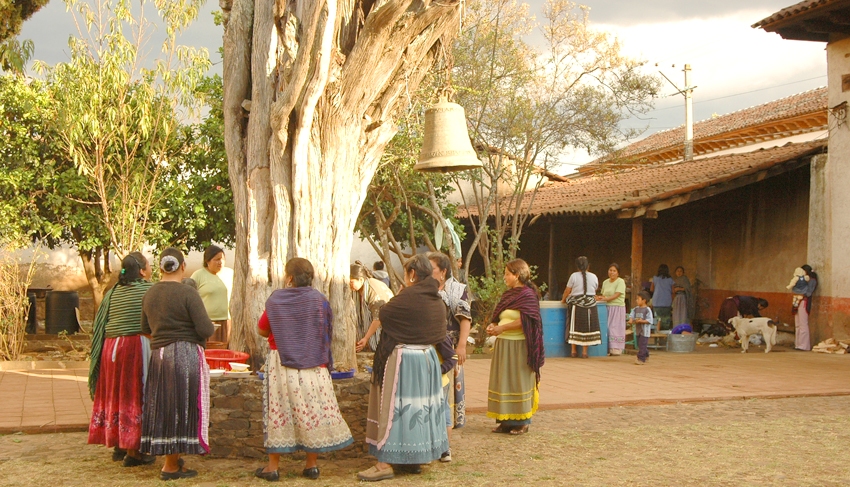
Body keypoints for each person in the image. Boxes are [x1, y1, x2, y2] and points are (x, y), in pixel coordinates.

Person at [254, 258, 353, 482]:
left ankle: (272, 467)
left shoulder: (276, 300)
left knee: (278, 411)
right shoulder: (320, 301)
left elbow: (262, 330)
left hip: (282, 362)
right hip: (313, 362)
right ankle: (311, 466)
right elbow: (325, 331)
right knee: (312, 411)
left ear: (290, 278)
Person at [359, 255, 449, 482]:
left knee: (396, 408)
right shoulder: (436, 298)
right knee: (418, 408)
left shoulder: (407, 297)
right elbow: (440, 330)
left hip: (404, 359)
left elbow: (385, 315)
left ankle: (384, 464)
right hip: (427, 359)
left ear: (412, 274)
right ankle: (413, 459)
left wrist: (400, 294)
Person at [140, 248, 215, 481]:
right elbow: (206, 329)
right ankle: (170, 466)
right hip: (184, 353)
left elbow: (145, 329)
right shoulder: (188, 293)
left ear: (161, 267)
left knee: (166, 406)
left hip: (159, 354)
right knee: (181, 407)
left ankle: (172, 460)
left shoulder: (150, 293)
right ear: (183, 266)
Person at [88, 252, 155, 466]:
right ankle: (134, 453)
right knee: (134, 393)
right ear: (142, 271)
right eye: (148, 265)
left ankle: (119, 444)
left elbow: (101, 323)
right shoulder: (149, 290)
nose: (150, 268)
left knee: (117, 393)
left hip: (111, 348)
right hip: (135, 346)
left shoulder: (112, 292)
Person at [487, 259, 543, 435]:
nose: (504, 277)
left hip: (519, 345)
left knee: (519, 381)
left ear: (517, 275)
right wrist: (493, 325)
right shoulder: (508, 295)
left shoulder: (528, 295)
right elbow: (499, 315)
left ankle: (522, 422)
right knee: (503, 381)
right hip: (503, 344)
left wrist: (502, 328)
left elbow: (526, 320)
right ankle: (505, 421)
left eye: (507, 274)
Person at [429, 252, 472, 460]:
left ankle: (445, 446)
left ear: (443, 271)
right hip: (428, 347)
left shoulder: (457, 290)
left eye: (432, 269)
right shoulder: (424, 289)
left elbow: (465, 318)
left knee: (444, 397)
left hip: (449, 349)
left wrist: (461, 346)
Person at [191, 245, 234, 345]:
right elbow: (190, 296)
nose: (220, 262)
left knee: (226, 350)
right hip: (207, 323)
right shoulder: (198, 275)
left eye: (222, 259)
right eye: (217, 259)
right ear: (207, 261)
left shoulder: (230, 273)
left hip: (227, 321)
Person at [561, 256, 601, 358]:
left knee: (574, 327)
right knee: (588, 328)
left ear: (577, 266)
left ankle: (573, 351)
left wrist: (563, 300)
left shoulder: (573, 276)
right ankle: (584, 352)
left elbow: (567, 291)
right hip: (591, 306)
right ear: (588, 266)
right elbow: (594, 290)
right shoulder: (594, 276)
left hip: (577, 305)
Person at [352, 262, 394, 352]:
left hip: (386, 325)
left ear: (360, 280)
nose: (349, 284)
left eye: (351, 282)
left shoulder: (374, 292)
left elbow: (378, 319)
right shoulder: (357, 289)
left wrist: (366, 338)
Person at [597, 263, 626, 356]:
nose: (612, 272)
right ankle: (607, 348)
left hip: (617, 308)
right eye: (610, 270)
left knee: (615, 328)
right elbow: (604, 294)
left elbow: (617, 294)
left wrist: (605, 299)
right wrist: (600, 298)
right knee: (607, 327)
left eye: (614, 271)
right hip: (607, 307)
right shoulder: (605, 282)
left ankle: (616, 349)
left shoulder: (620, 281)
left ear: (618, 273)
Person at [795, 264, 818, 351]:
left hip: (804, 301)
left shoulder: (812, 280)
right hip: (797, 301)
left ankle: (804, 346)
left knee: (803, 324)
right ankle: (798, 344)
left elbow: (808, 292)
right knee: (797, 324)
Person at [629, 291, 654, 365]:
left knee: (642, 345)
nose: (636, 300)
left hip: (645, 331)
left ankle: (641, 359)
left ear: (644, 300)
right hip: (638, 330)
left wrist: (641, 321)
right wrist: (631, 320)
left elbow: (650, 320)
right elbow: (632, 315)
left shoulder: (647, 310)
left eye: (638, 299)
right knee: (640, 345)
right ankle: (646, 354)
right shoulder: (636, 309)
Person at [650, 264, 674, 330]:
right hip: (667, 302)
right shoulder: (670, 279)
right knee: (666, 320)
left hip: (656, 302)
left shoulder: (655, 278)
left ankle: (658, 332)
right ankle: (665, 333)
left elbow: (651, 289)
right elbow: (673, 291)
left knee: (657, 319)